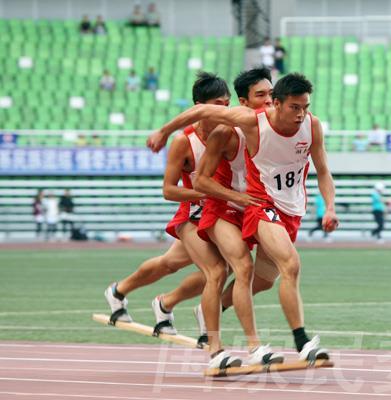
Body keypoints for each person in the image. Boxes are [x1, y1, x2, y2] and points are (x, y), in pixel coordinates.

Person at [148, 72, 339, 363]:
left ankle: (207, 309)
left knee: (264, 279)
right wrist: (163, 132)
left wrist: (330, 207)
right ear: (244, 102)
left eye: (270, 94)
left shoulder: (308, 125)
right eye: (261, 95)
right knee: (235, 269)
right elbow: (200, 128)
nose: (267, 100)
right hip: (232, 206)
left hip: (279, 207)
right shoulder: (231, 128)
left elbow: (323, 169)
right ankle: (241, 347)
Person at [105, 72, 249, 369]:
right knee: (216, 270)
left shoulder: (233, 131)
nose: (224, 110)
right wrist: (207, 191)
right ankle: (214, 346)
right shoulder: (185, 141)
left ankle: (156, 301)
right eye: (217, 104)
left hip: (222, 215)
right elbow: (168, 190)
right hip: (193, 215)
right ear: (199, 107)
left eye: (227, 104)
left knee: (170, 263)